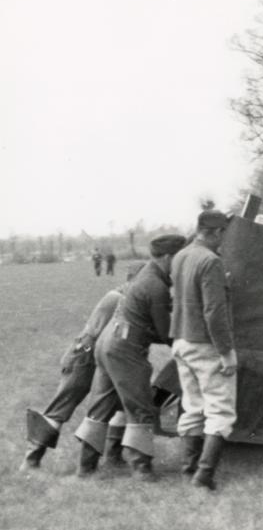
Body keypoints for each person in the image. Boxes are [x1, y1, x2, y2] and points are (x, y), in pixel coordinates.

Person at [73, 234, 187, 479]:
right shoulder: (155, 285)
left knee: (101, 407)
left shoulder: (147, 276)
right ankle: (142, 468)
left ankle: (86, 467)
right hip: (125, 349)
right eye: (180, 258)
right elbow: (164, 331)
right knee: (141, 408)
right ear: (168, 258)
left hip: (108, 344)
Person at [20, 266, 140, 471]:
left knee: (119, 404)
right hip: (84, 355)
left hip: (98, 355)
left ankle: (113, 456)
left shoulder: (122, 296)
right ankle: (31, 459)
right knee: (61, 407)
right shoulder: (117, 298)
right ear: (134, 280)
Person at [169, 209, 237, 491]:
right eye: (224, 234)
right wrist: (226, 351)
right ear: (218, 233)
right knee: (220, 412)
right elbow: (214, 312)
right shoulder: (210, 261)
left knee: (193, 407)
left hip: (181, 340)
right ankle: (203, 477)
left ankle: (188, 471)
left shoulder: (180, 256)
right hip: (204, 344)